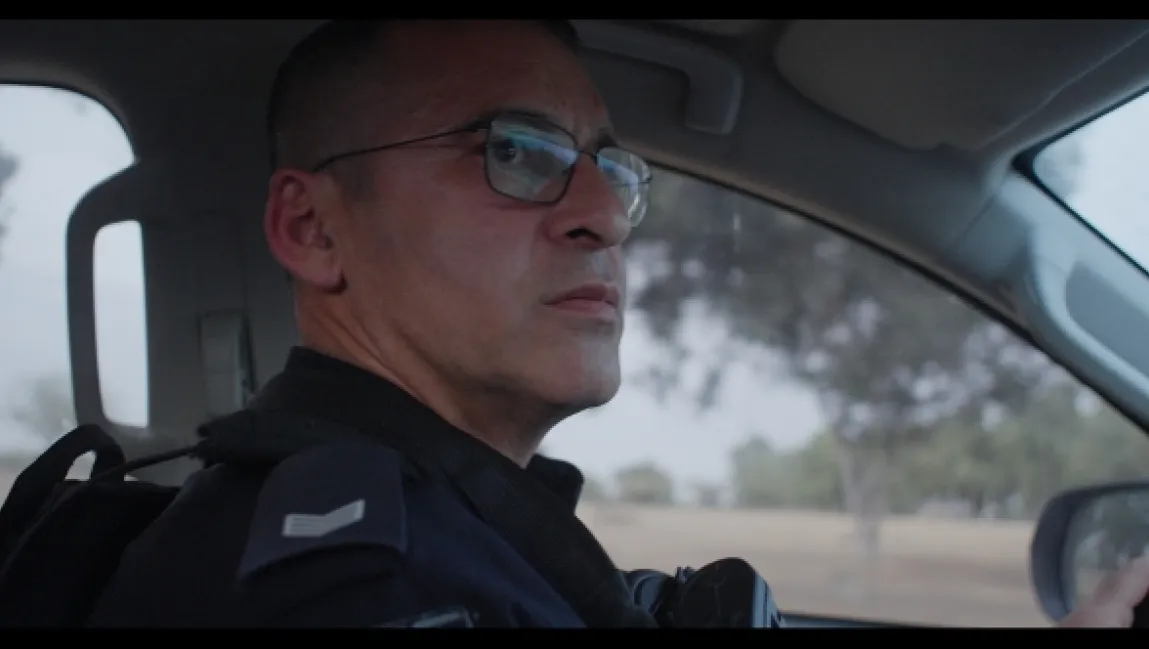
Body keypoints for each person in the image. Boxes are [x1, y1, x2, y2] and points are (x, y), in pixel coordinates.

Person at [82, 18, 1149, 628]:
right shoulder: (363, 590)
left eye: (613, 168)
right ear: (313, 228)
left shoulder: (447, 527)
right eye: (515, 152)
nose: (604, 214)